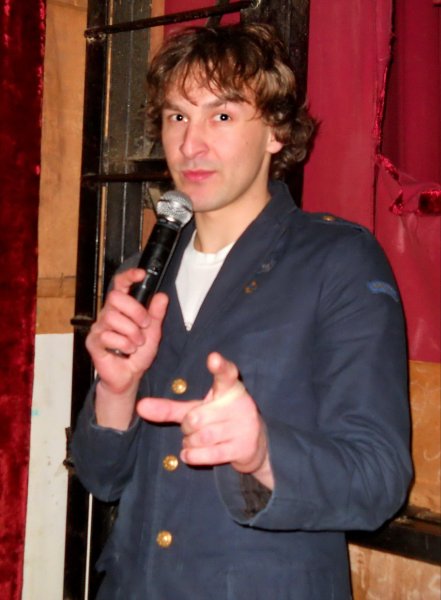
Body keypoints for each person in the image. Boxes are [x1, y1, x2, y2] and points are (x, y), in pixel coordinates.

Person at [71, 22, 412, 599]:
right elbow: (102, 478)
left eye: (222, 116)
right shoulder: (141, 272)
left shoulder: (339, 260)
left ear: (276, 131)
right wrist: (116, 392)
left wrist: (263, 454)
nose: (191, 144)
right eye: (178, 116)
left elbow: (380, 479)